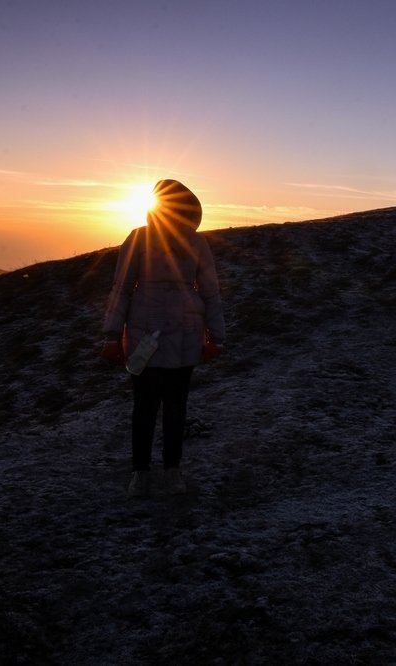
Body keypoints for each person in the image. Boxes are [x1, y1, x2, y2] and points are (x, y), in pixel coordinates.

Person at [101, 179, 226, 498]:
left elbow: (210, 291)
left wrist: (217, 335)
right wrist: (112, 335)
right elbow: (122, 287)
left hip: (182, 335)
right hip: (149, 334)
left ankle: (171, 470)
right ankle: (141, 471)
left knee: (174, 407)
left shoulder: (196, 245)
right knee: (145, 406)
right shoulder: (138, 239)